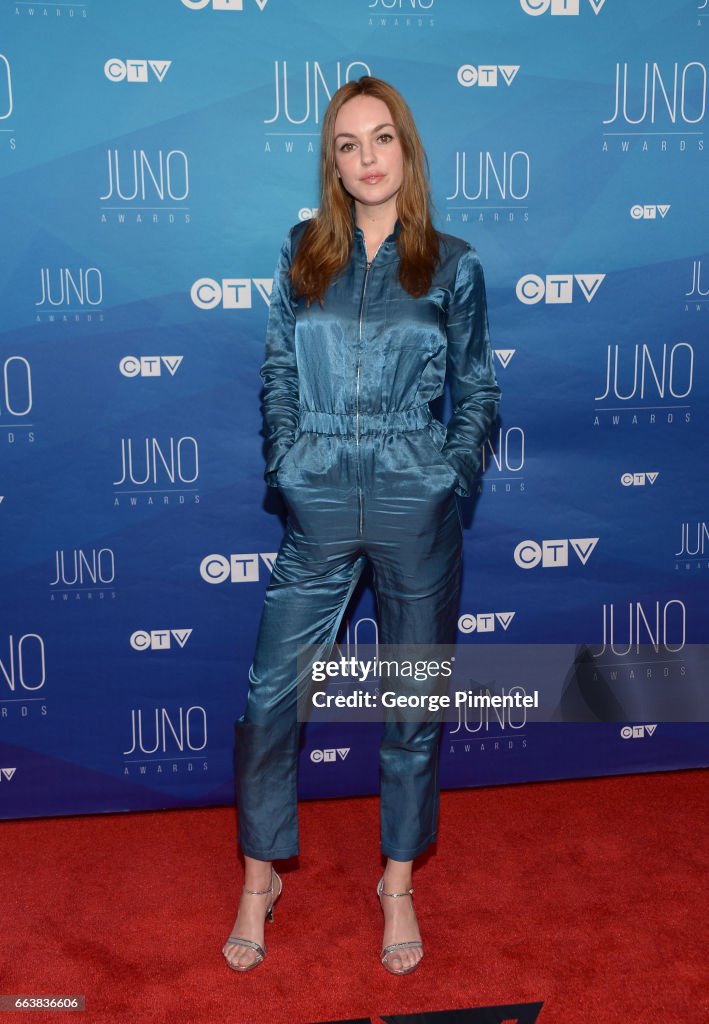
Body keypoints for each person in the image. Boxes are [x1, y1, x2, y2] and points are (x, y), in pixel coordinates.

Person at [222, 75, 501, 976]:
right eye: (348, 144)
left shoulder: (450, 264)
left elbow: (478, 388)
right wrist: (286, 464)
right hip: (317, 496)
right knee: (270, 700)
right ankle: (259, 879)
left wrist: (444, 479)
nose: (367, 158)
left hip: (413, 502)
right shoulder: (303, 253)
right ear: (332, 163)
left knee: (411, 707)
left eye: (382, 139)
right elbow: (275, 368)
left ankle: (396, 883)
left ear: (406, 150)